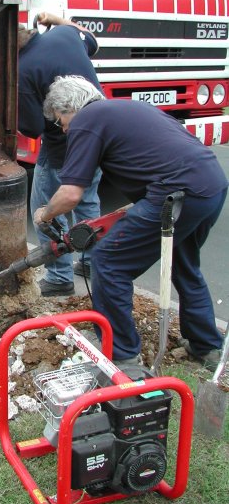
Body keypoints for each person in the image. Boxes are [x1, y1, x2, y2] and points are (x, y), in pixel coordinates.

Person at [33, 75, 227, 369]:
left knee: (109, 261)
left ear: (69, 108)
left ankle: (122, 353)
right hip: (211, 183)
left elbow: (71, 194)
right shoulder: (127, 108)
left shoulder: (87, 120)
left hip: (176, 193)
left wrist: (44, 213)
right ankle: (208, 347)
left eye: (60, 121)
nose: (62, 128)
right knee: (183, 262)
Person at [18, 12, 104, 297]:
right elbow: (91, 41)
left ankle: (59, 276)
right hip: (98, 135)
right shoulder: (64, 34)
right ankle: (91, 262)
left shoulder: (25, 68)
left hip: (61, 148)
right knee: (88, 202)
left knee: (46, 208)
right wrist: (59, 19)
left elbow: (31, 127)